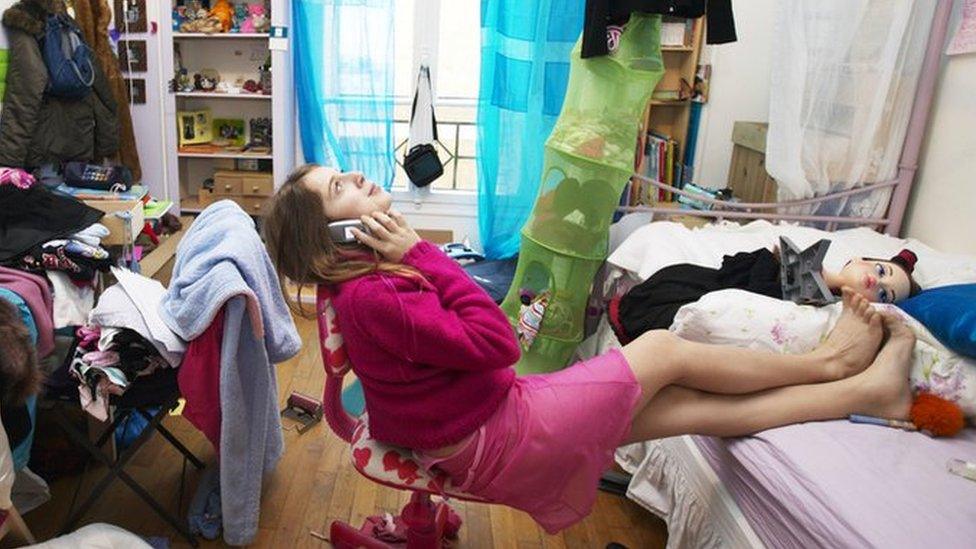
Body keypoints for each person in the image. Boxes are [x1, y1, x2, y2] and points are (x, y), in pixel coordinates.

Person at [263, 165, 916, 534]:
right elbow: (494, 344)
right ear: (336, 233)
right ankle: (831, 363)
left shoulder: (360, 285)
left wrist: (412, 259)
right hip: (497, 432)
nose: (353, 173)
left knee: (685, 406)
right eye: (337, 187)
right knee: (665, 350)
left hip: (483, 427)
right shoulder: (376, 293)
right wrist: (422, 252)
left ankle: (863, 390)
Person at [610, 246, 922, 343]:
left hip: (708, 305)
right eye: (881, 271)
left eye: (885, 294)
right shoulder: (806, 261)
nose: (874, 281)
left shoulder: (828, 311)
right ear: (857, 259)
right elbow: (734, 267)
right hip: (689, 283)